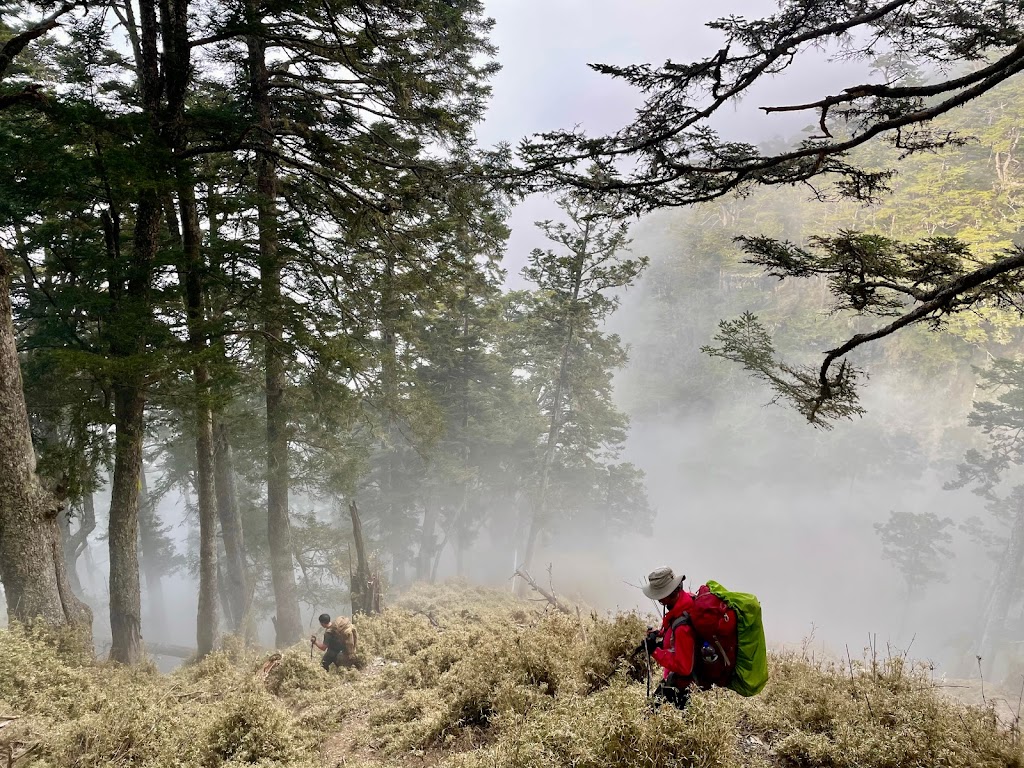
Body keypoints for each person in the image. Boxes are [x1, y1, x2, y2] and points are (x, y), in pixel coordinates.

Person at [637, 566, 735, 709]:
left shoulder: (683, 627)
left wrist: (655, 651)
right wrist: (660, 636)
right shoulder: (687, 600)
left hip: (683, 687)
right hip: (688, 683)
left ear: (668, 594)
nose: (659, 600)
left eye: (659, 596)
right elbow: (677, 637)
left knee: (651, 715)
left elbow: (684, 668)